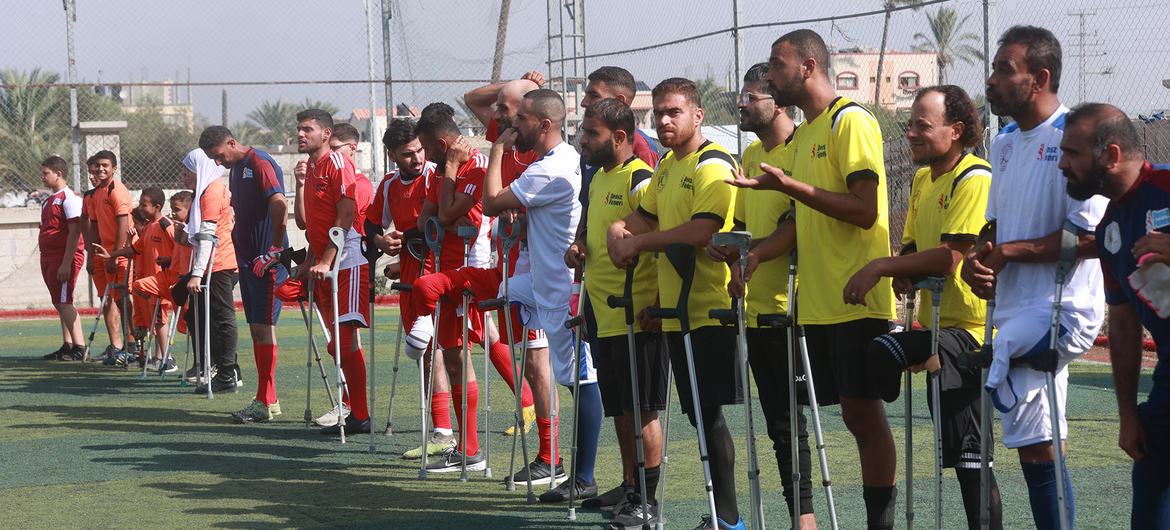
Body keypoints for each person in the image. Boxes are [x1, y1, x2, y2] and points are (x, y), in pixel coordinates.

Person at [728, 29, 899, 529]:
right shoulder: (803, 135)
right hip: (819, 301)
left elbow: (865, 211)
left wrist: (792, 187)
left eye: (777, 65)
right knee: (848, 416)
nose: (771, 74)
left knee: (864, 417)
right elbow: (799, 218)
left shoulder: (851, 121)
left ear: (807, 66)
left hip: (858, 296)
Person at [962, 26, 1108, 529]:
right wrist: (982, 261)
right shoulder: (1002, 144)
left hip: (1061, 312)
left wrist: (1008, 253)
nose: (991, 80)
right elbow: (998, 227)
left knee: (1039, 450)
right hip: (1018, 310)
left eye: (1005, 70)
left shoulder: (1076, 138)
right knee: (1037, 447)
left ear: (1039, 78)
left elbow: (1091, 240)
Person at [843, 85, 1003, 529]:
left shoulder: (975, 177)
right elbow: (915, 245)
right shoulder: (920, 179)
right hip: (935, 328)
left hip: (970, 332)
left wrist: (883, 265)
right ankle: (914, 366)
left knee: (971, 459)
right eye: (910, 124)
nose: (911, 133)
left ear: (955, 131)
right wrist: (902, 267)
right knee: (958, 453)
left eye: (922, 126)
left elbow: (949, 256)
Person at [609, 78, 744, 530]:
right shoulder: (666, 165)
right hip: (676, 311)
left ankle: (728, 519)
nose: (664, 120)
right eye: (659, 113)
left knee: (710, 415)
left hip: (711, 309)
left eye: (674, 112)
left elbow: (701, 231)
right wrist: (618, 231)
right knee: (698, 415)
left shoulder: (714, 164)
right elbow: (643, 215)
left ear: (698, 115)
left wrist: (640, 241)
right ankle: (720, 517)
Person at [478, 88, 602, 502]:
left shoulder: (551, 168)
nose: (515, 126)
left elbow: (491, 201)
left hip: (565, 292)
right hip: (543, 283)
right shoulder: (553, 162)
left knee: (582, 380)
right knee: (491, 295)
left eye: (523, 120)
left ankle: (581, 476)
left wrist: (496, 150)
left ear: (545, 125)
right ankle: (556, 460)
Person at [709, 62, 815, 527]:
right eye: (742, 95)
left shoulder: (801, 150)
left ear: (778, 99)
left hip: (790, 309)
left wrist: (754, 258)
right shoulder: (749, 157)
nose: (741, 104)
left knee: (790, 426)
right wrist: (730, 252)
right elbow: (746, 229)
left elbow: (794, 226)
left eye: (751, 96)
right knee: (774, 427)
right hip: (752, 310)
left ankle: (805, 518)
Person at [1062, 103, 1170, 528]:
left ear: (1109, 155)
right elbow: (1123, 325)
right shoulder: (1111, 227)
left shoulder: (1166, 185)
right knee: (1149, 499)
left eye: (1072, 154)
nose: (1063, 165)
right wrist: (1127, 413)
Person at [566, 97, 666, 523]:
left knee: (642, 410)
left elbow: (662, 240)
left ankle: (647, 498)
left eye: (592, 133)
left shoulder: (641, 179)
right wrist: (578, 249)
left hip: (637, 314)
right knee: (620, 409)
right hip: (603, 314)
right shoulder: (599, 178)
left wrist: (658, 305)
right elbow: (588, 234)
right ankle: (629, 485)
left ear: (620, 137)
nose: (584, 140)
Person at [409, 106, 492, 472]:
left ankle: (472, 449)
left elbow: (443, 215)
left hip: (469, 274)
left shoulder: (474, 168)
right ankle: (466, 447)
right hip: (444, 271)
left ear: (442, 144)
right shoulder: (442, 172)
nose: (424, 156)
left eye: (427, 148)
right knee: (455, 356)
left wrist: (451, 173)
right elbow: (428, 217)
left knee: (464, 355)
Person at [367, 117, 456, 458]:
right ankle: (443, 430)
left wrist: (411, 241)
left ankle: (524, 404)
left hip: (444, 272)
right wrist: (382, 240)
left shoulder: (438, 175)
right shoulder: (389, 185)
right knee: (425, 351)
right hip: (410, 276)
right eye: (407, 154)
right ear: (391, 155)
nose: (417, 159)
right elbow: (371, 223)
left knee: (456, 346)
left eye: (419, 150)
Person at [198, 125, 290, 423]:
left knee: (263, 326)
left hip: (267, 261)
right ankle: (268, 399)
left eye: (218, 155)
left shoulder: (260, 162)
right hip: (250, 261)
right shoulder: (237, 169)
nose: (217, 162)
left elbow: (279, 202)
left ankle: (265, 401)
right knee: (257, 328)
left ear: (232, 142)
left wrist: (275, 248)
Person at [294, 108, 372, 435]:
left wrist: (326, 258)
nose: (300, 134)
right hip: (326, 262)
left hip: (348, 260)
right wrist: (310, 260)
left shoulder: (338, 163)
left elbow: (345, 214)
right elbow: (313, 224)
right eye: (299, 129)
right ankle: (355, 412)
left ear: (326, 134)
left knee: (342, 341)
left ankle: (360, 414)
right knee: (338, 342)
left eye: (307, 129)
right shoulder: (311, 167)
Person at [180, 147, 241, 394]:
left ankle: (227, 372)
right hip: (215, 263)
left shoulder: (212, 192)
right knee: (201, 316)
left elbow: (208, 234)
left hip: (219, 263)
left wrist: (197, 272)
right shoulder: (206, 190)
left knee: (221, 318)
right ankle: (221, 368)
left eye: (188, 171)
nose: (184, 176)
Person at [94, 188, 175, 370]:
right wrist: (112, 254)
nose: (140, 207)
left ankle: (167, 358)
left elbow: (179, 249)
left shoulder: (166, 225)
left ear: (157, 206)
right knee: (151, 319)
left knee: (160, 318)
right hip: (147, 283)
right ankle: (157, 357)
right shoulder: (147, 227)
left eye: (144, 204)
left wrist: (172, 265)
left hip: (161, 281)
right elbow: (136, 249)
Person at [37, 156, 86, 361]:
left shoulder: (69, 198)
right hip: (49, 256)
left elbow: (75, 232)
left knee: (64, 300)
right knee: (59, 301)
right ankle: (67, 344)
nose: (43, 176)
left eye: (46, 172)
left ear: (59, 174)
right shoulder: (49, 200)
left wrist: (66, 262)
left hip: (63, 256)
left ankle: (80, 347)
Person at [87, 150, 133, 365]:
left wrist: (115, 255)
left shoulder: (117, 190)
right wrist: (94, 253)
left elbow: (123, 223)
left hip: (119, 254)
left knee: (124, 299)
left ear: (114, 168)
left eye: (105, 165)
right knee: (110, 299)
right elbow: (94, 224)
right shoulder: (97, 192)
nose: (100, 169)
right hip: (104, 254)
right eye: (97, 165)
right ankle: (118, 346)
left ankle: (133, 347)